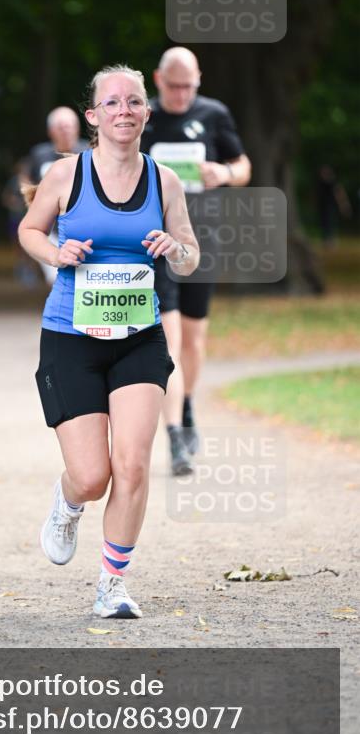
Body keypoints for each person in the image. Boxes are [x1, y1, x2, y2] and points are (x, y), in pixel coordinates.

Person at [19, 64, 199, 618]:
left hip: (139, 337)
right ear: (94, 116)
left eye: (135, 102)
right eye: (113, 102)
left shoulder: (163, 181)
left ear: (147, 113)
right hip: (71, 336)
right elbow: (30, 230)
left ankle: (112, 584)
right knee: (93, 475)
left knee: (135, 463)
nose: (125, 110)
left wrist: (174, 247)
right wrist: (57, 253)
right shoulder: (66, 175)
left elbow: (190, 260)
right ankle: (69, 501)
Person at [140, 47, 251, 474]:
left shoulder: (214, 114)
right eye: (174, 86)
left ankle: (185, 406)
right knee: (166, 341)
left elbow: (242, 165)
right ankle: (173, 438)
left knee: (193, 339)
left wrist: (223, 174)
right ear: (158, 80)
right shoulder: (142, 117)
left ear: (198, 80)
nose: (182, 94)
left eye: (189, 85)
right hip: (155, 244)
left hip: (202, 238)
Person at [27, 107, 90, 285]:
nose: (66, 131)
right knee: (56, 278)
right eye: (61, 127)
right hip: (50, 229)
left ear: (77, 128)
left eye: (70, 126)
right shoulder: (39, 154)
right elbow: (29, 185)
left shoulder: (90, 151)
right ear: (51, 131)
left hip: (82, 227)